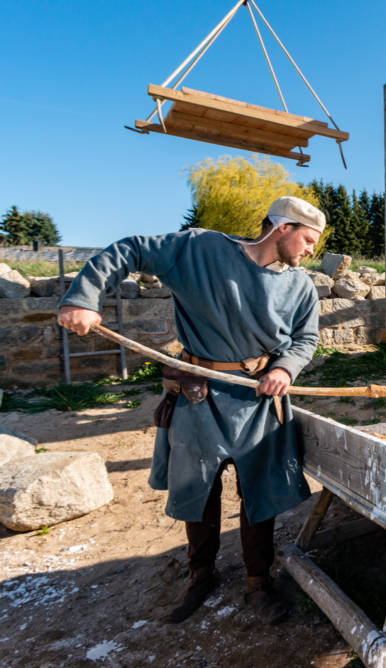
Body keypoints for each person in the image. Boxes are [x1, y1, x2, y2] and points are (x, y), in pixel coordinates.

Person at [57, 196, 324, 625]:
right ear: (283, 227)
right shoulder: (200, 249)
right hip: (198, 395)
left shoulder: (300, 286)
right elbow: (131, 249)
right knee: (197, 489)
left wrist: (285, 368)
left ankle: (258, 581)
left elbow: (306, 339)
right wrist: (84, 297)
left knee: (261, 492)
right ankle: (200, 575)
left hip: (259, 399)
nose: (311, 250)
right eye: (308, 239)